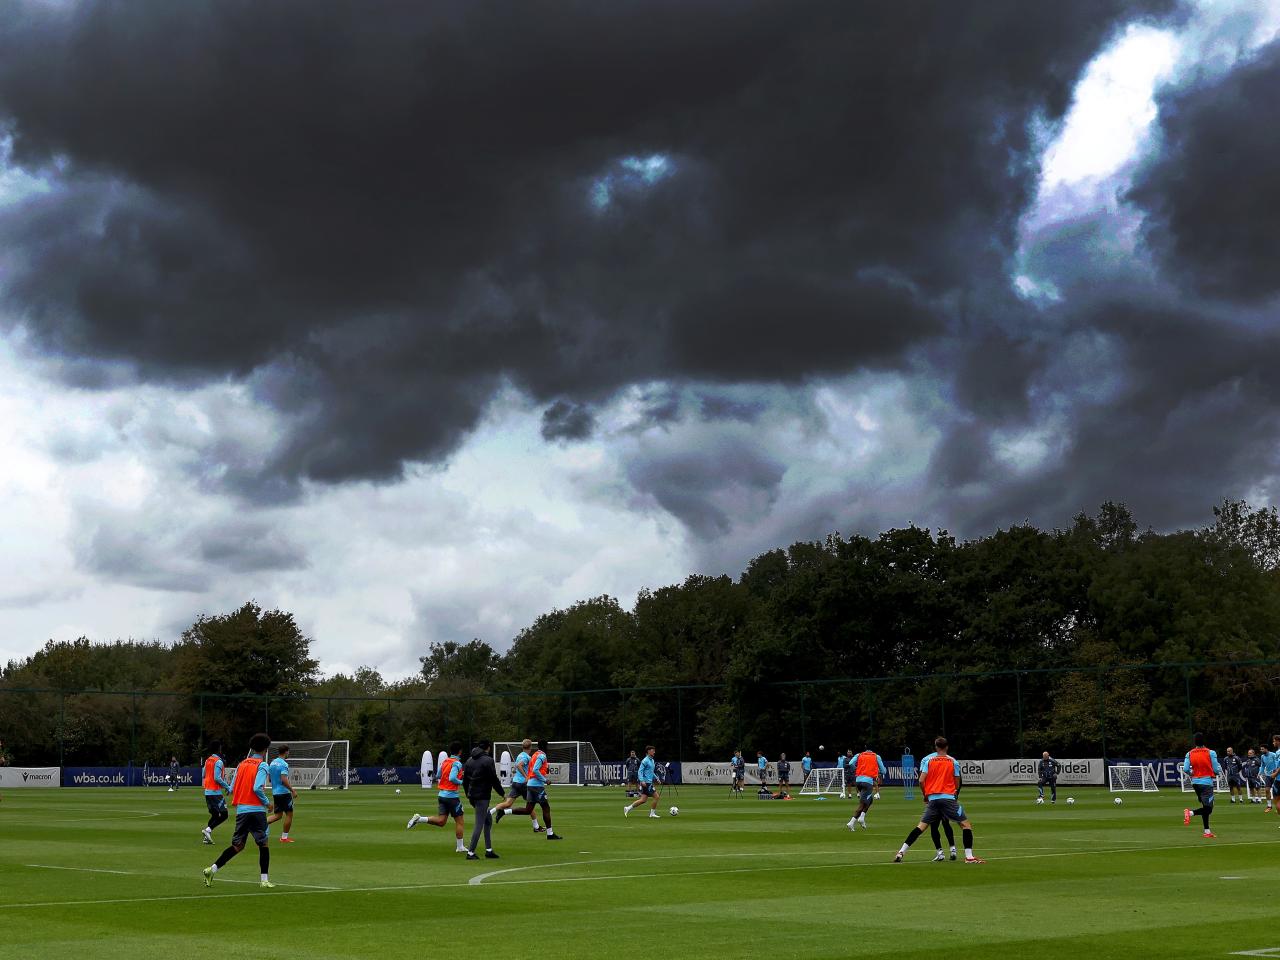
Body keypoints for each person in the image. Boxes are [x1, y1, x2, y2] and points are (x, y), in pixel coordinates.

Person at [202, 732, 276, 889]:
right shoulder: (262, 765)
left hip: (242, 810)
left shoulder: (241, 764)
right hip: (256, 810)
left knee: (238, 846)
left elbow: (233, 787)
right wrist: (268, 803)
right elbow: (257, 787)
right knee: (263, 844)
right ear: (266, 749)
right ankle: (264, 880)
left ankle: (212, 869)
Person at [893, 737, 983, 864]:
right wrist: (954, 791)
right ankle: (969, 857)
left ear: (935, 747)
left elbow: (921, 780)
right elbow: (957, 781)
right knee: (965, 825)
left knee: (921, 827)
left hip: (933, 800)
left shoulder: (928, 761)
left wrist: (926, 795)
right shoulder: (953, 761)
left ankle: (901, 852)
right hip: (948, 798)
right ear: (947, 747)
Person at [406, 741, 467, 853]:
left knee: (441, 821)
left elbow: (438, 775)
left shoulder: (445, 761)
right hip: (452, 796)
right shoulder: (457, 763)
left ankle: (419, 819)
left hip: (441, 795)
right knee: (460, 821)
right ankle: (460, 847)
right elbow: (452, 778)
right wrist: (462, 782)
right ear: (460, 751)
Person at [512, 739, 563, 840]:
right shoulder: (542, 755)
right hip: (537, 786)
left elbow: (534, 768)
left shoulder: (535, 754)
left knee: (528, 810)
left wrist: (544, 771)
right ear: (545, 747)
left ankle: (504, 812)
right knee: (546, 808)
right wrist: (545, 780)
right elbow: (535, 770)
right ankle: (550, 834)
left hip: (530, 785)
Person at [463, 740, 505, 860]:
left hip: (472, 795)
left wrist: (468, 794)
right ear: (488, 748)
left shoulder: (469, 760)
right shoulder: (488, 760)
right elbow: (493, 779)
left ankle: (489, 850)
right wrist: (502, 793)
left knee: (488, 820)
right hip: (482, 796)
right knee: (479, 824)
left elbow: (465, 780)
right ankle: (470, 852)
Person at [491, 738, 543, 832]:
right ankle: (536, 827)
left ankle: (490, 812)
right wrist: (526, 776)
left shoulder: (520, 755)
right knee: (530, 805)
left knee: (507, 803)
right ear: (530, 747)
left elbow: (517, 765)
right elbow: (519, 765)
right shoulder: (526, 757)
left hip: (515, 783)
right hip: (523, 784)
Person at [1181, 732, 1221, 838]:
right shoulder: (1211, 752)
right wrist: (1216, 773)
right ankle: (1189, 813)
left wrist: (1192, 773)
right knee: (1208, 809)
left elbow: (1185, 769)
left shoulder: (1189, 753)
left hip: (1195, 783)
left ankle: (1207, 832)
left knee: (1205, 807)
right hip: (1206, 783)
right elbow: (1216, 769)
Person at [846, 746, 886, 830]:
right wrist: (877, 771)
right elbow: (883, 771)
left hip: (858, 781)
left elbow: (850, 764)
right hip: (867, 782)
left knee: (870, 800)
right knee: (862, 803)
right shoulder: (876, 756)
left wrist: (857, 769)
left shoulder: (859, 755)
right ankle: (851, 822)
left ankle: (862, 818)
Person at [200, 740, 232, 845]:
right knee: (224, 814)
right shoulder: (218, 761)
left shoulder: (208, 760)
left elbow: (203, 774)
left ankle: (206, 838)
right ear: (219, 748)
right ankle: (208, 830)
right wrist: (228, 787)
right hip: (215, 792)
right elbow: (217, 778)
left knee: (214, 815)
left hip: (207, 792)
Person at [266, 745, 297, 842]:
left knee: (278, 815)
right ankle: (284, 837)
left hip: (275, 792)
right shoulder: (284, 764)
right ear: (286, 752)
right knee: (289, 814)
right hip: (284, 793)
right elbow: (284, 779)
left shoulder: (272, 763)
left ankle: (258, 824)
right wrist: (292, 790)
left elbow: (270, 779)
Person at [625, 745, 663, 818]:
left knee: (643, 800)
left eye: (654, 750)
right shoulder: (645, 760)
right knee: (656, 797)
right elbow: (640, 771)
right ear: (648, 751)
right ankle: (652, 814)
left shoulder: (652, 760)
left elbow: (651, 771)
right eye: (653, 750)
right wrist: (642, 781)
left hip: (648, 782)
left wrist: (656, 778)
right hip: (646, 783)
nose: (654, 752)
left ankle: (627, 808)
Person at [1261, 741, 1280, 813]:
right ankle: (1269, 806)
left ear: (1266, 749)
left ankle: (1277, 807)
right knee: (1266, 790)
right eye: (1261, 749)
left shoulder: (1273, 754)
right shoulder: (1262, 756)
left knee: (1277, 793)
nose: (1261, 750)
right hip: (1268, 775)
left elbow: (1277, 762)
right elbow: (1262, 765)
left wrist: (1275, 771)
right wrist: (1261, 772)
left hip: (1275, 775)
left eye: (1262, 749)